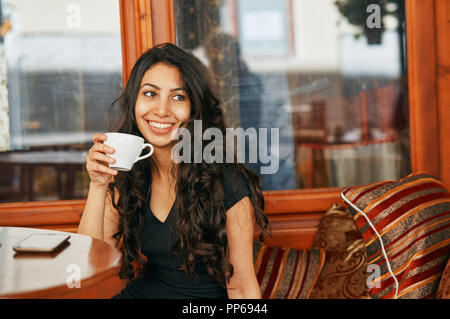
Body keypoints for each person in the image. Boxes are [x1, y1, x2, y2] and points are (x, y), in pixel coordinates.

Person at [77, 43, 269, 299]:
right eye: (150, 94)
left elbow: (243, 288)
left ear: (193, 109)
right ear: (134, 100)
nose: (162, 110)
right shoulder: (129, 173)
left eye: (178, 97)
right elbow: (89, 264)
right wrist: (99, 185)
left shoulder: (226, 181)